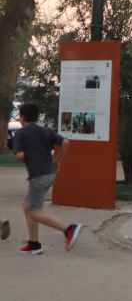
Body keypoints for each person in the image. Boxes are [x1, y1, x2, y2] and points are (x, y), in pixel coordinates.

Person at [12, 103, 84, 255]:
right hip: (50, 173)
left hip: (38, 176)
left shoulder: (21, 133)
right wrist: (58, 160)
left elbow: (20, 156)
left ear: (22, 117)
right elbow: (65, 142)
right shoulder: (46, 130)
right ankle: (34, 244)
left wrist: (26, 155)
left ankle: (68, 229)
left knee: (33, 212)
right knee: (27, 206)